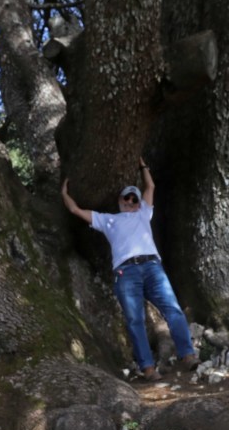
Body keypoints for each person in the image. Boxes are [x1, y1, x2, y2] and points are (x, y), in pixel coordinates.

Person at [62, 158, 198, 381]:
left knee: (173, 309)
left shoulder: (144, 213)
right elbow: (75, 209)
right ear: (120, 201)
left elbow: (150, 187)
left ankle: (188, 355)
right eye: (127, 197)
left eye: (134, 198)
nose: (131, 200)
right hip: (126, 273)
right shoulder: (108, 220)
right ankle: (148, 368)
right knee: (135, 320)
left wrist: (143, 166)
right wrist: (64, 192)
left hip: (152, 267)